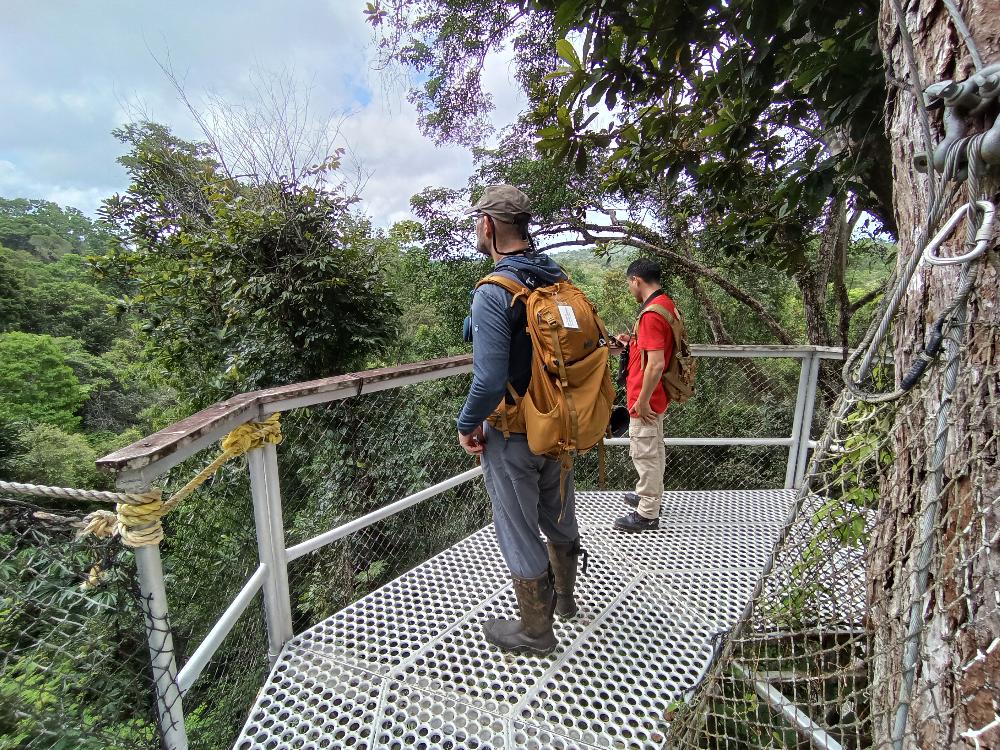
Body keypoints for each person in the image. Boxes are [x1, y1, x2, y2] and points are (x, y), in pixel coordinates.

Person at [456, 184, 582, 655]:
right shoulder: (557, 277)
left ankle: (535, 631)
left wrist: (467, 424)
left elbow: (488, 380)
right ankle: (566, 600)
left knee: (518, 527)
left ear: (487, 226)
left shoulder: (495, 291)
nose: (476, 228)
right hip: (560, 425)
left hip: (513, 433)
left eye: (476, 221)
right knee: (559, 511)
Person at [614, 258, 677, 532]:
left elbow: (657, 363)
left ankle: (647, 514)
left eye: (630, 283)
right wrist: (632, 343)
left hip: (646, 398)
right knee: (655, 448)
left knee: (645, 453)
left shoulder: (651, 314)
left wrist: (641, 400)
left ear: (636, 280)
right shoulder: (666, 305)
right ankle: (649, 497)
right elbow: (653, 350)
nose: (630, 288)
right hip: (657, 395)